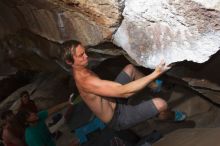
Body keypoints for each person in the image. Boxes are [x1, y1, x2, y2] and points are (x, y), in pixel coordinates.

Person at [63, 40, 186, 131]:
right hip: (117, 117)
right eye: (81, 55)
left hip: (114, 99)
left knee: (130, 69)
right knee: (161, 104)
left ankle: (155, 87)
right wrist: (156, 73)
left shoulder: (81, 68)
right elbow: (124, 92)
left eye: (84, 52)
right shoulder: (85, 81)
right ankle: (171, 116)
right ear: (69, 62)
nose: (86, 56)